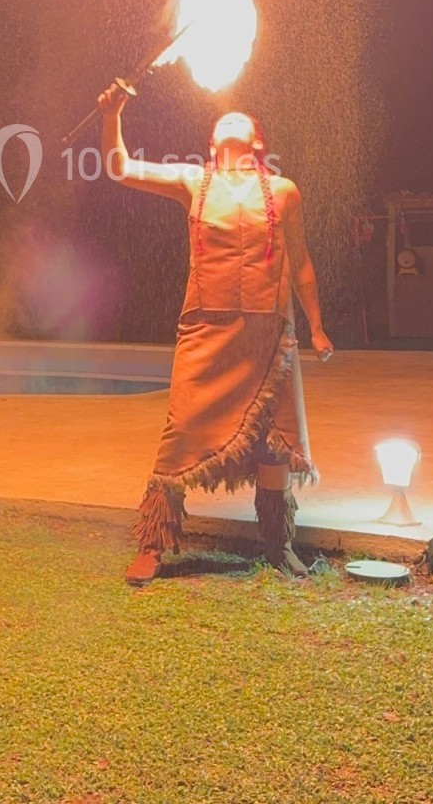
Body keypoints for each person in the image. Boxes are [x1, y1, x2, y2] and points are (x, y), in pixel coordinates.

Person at [98, 84, 333, 587]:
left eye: (240, 119)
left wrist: (316, 326)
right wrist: (113, 114)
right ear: (211, 144)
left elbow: (301, 262)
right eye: (221, 121)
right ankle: (152, 544)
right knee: (180, 433)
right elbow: (120, 167)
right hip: (207, 330)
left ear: (257, 142)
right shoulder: (193, 180)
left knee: (275, 442)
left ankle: (278, 544)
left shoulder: (283, 190)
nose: (229, 118)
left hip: (269, 334)